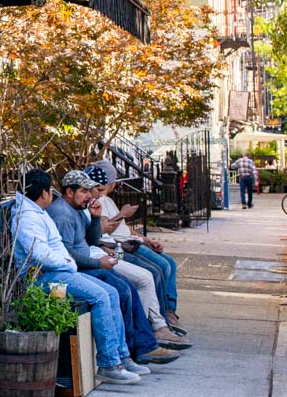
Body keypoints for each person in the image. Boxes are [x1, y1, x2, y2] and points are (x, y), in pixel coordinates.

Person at [10, 169, 140, 385]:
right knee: (99, 296)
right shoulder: (28, 218)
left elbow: (85, 240)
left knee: (110, 292)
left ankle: (121, 356)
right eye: (50, 191)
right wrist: (68, 262)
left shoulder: (39, 212)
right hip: (44, 280)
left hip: (58, 273)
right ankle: (108, 364)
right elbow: (40, 253)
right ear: (43, 193)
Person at [46, 169, 176, 365]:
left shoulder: (78, 209)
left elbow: (91, 240)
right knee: (122, 290)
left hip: (99, 257)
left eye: (89, 190)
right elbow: (68, 254)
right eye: (84, 191)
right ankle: (132, 351)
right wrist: (99, 263)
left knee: (136, 282)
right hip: (78, 269)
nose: (89, 195)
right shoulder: (63, 214)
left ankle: (143, 346)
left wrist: (95, 218)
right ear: (69, 192)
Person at [86, 161, 189, 341]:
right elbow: (102, 231)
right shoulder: (95, 204)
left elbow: (106, 233)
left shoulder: (99, 202)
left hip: (118, 246)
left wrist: (147, 240)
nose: (97, 194)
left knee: (164, 266)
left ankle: (161, 319)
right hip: (116, 247)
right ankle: (157, 322)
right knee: (154, 272)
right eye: (95, 189)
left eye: (99, 189)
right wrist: (123, 214)